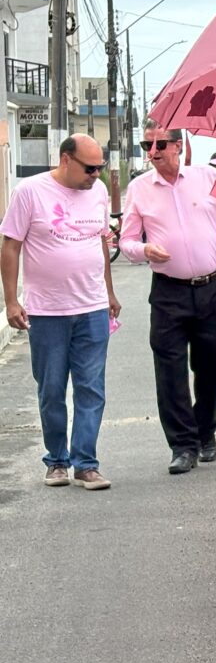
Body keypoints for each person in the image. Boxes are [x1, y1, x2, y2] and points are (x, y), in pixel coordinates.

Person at [120, 122, 216, 475]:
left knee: (213, 365)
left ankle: (205, 430)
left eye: (159, 145)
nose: (152, 153)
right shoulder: (139, 189)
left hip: (214, 286)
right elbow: (125, 242)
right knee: (169, 368)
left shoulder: (207, 177)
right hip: (169, 291)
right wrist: (144, 249)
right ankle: (183, 445)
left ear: (178, 147)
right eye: (146, 145)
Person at [2, 134, 119, 490]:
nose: (96, 174)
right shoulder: (30, 191)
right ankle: (56, 460)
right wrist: (10, 300)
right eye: (89, 167)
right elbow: (10, 246)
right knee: (51, 388)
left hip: (92, 306)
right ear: (66, 159)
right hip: (47, 310)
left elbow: (101, 243)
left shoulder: (97, 193)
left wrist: (110, 293)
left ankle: (86, 463)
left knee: (91, 388)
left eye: (100, 168)